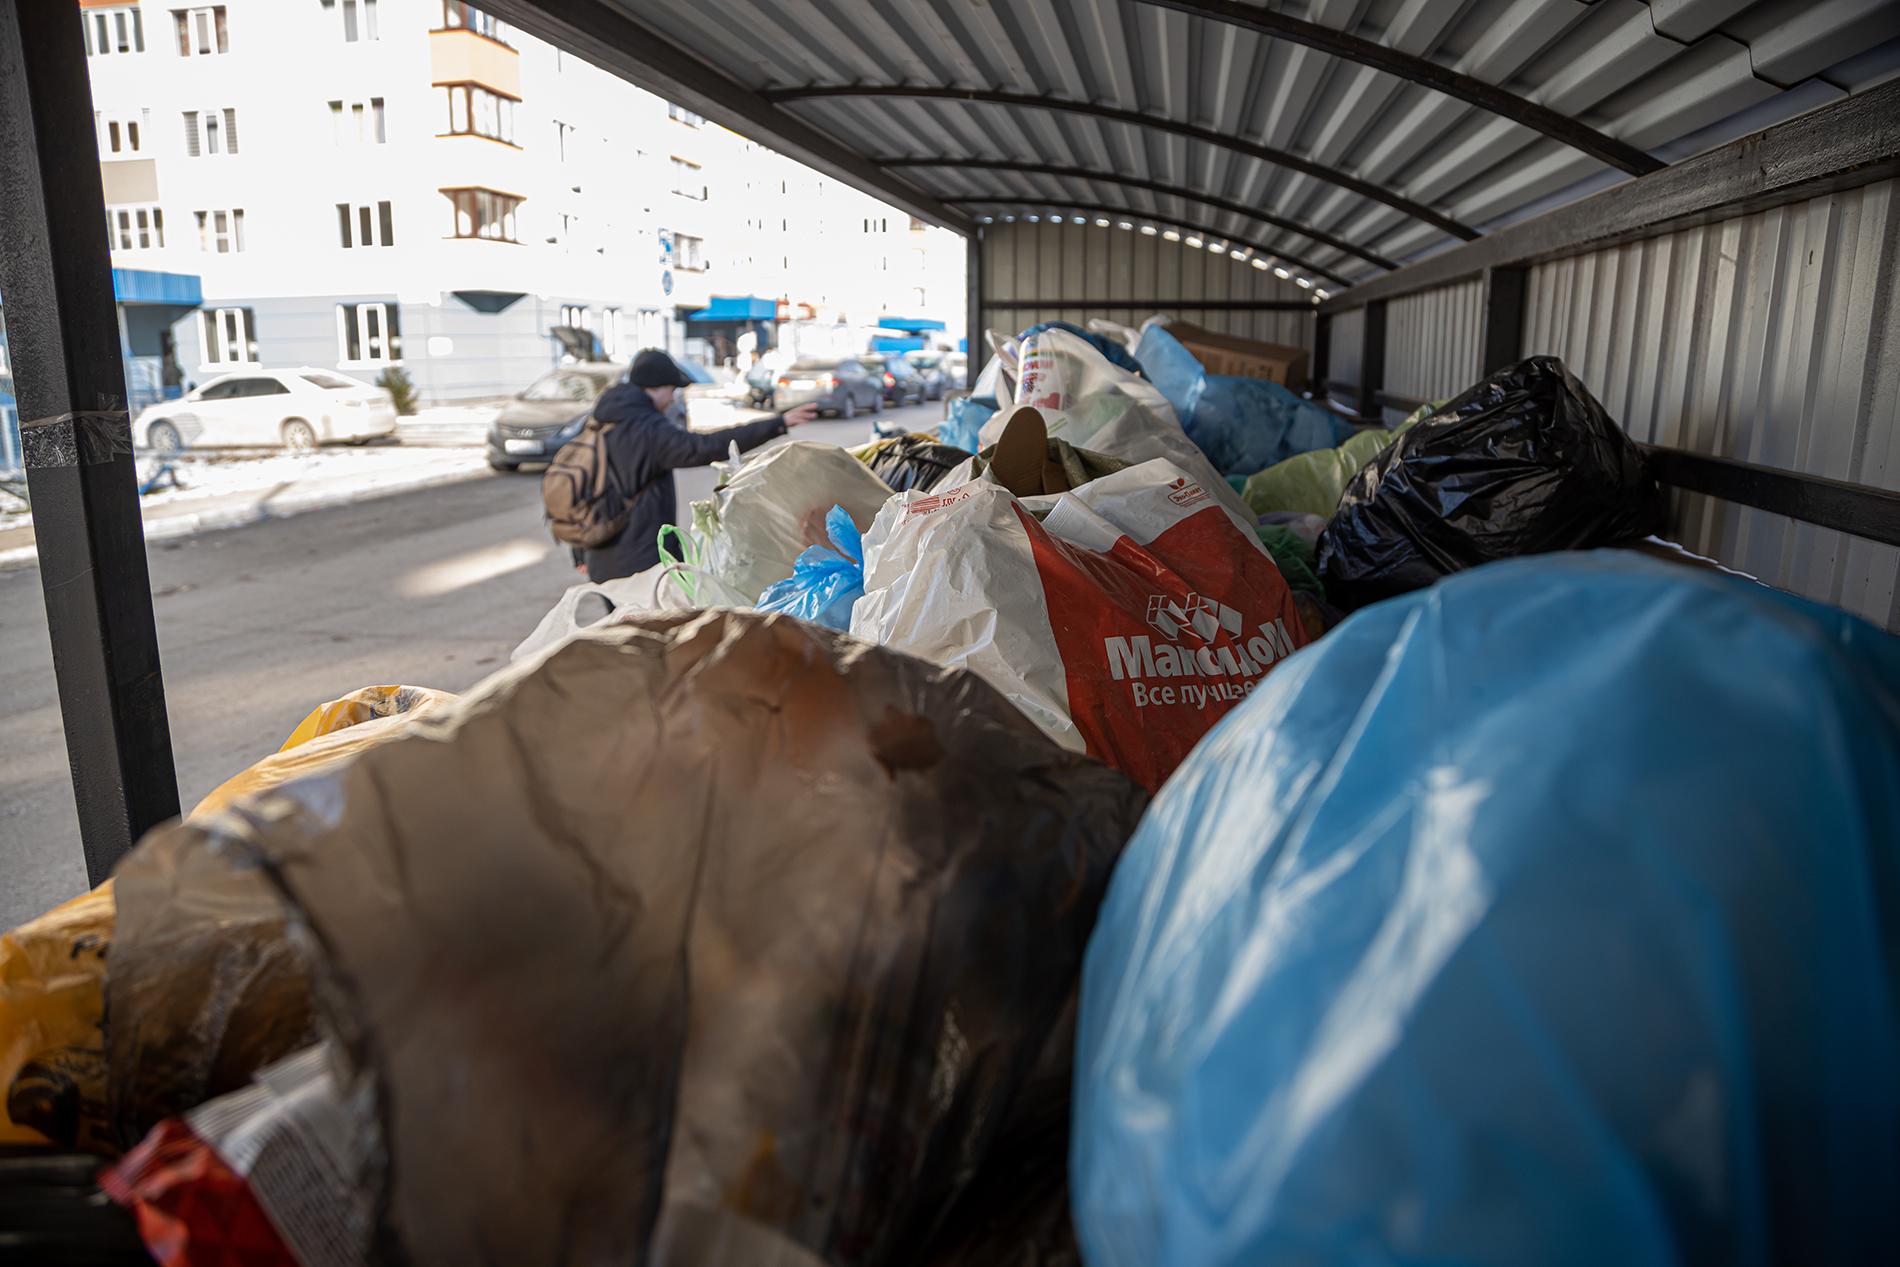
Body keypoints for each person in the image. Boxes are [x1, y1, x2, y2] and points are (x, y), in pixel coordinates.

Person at [582, 348, 816, 583]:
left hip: (599, 555)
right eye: (671, 389)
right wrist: (778, 423)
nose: (673, 398)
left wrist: (579, 552)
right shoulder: (646, 429)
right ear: (654, 387)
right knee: (653, 620)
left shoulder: (600, 420)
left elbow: (583, 483)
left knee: (619, 621)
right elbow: (704, 447)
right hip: (640, 563)